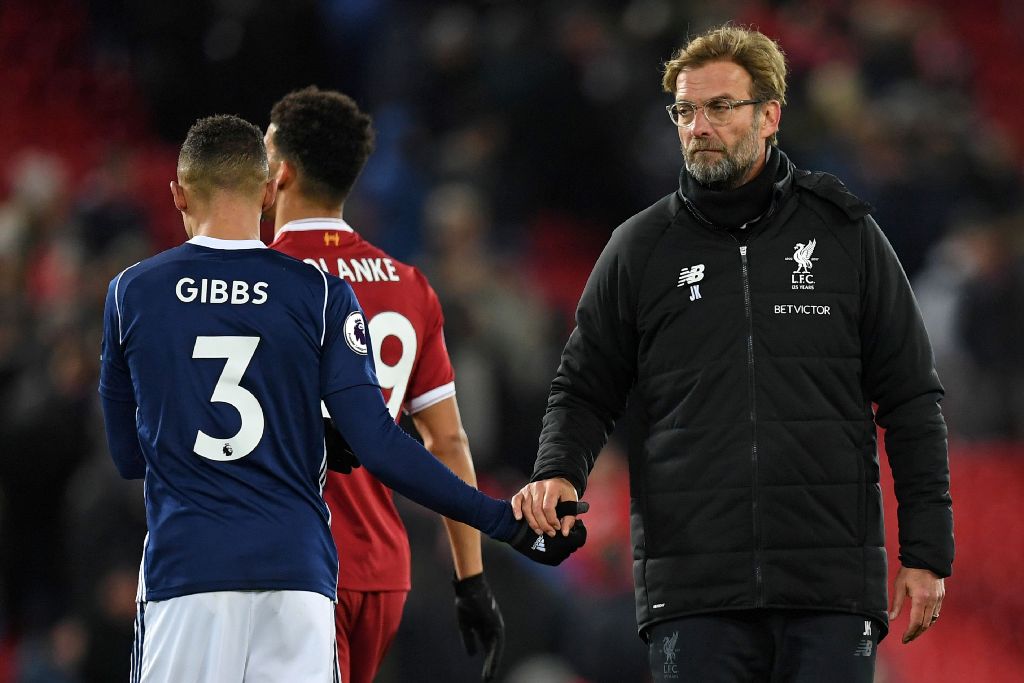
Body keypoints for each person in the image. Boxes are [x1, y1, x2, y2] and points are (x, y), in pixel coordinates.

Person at [511, 24, 953, 683]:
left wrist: (926, 552)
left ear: (769, 114)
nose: (698, 126)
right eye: (685, 111)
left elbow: (913, 398)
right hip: (693, 593)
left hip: (828, 588)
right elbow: (583, 385)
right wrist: (558, 468)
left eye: (720, 107)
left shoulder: (846, 237)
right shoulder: (640, 249)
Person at [98, 114, 585, 683]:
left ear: (178, 193)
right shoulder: (321, 293)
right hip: (297, 579)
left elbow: (128, 456)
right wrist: (503, 522)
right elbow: (378, 444)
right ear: (266, 190)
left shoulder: (133, 291)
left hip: (187, 574)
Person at [263, 86, 503, 683]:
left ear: (283, 172)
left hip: (291, 564)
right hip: (380, 568)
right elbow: (448, 445)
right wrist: (469, 578)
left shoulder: (254, 281)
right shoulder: (408, 284)